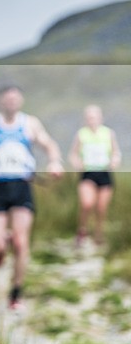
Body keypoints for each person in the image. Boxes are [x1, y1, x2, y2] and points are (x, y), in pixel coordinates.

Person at [0, 84, 64, 310]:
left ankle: (16, 292)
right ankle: (2, 244)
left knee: (21, 243)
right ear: (1, 101)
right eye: (7, 99)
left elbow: (49, 144)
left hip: (22, 186)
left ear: (20, 101)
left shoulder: (29, 124)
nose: (11, 102)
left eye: (15, 98)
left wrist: (54, 161)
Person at [68, 104, 121, 246]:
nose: (92, 120)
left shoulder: (108, 133)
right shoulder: (81, 134)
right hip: (88, 173)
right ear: (85, 119)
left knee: (101, 207)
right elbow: (73, 154)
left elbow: (116, 152)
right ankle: (82, 230)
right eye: (89, 117)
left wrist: (115, 161)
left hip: (104, 173)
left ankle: (99, 234)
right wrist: (77, 164)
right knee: (87, 203)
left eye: (95, 117)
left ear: (101, 118)